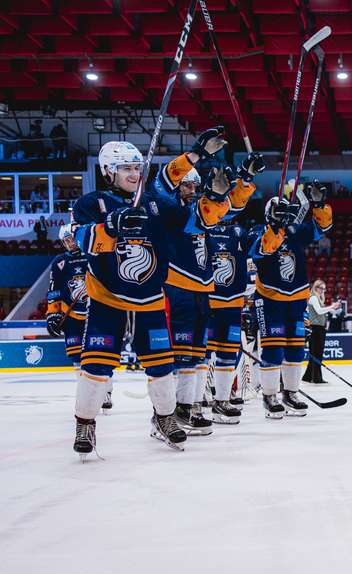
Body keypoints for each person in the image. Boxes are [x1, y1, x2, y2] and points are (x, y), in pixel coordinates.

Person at [70, 128, 234, 456]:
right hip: (108, 297)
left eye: (136, 168)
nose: (134, 174)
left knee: (161, 364)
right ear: (108, 172)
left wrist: (218, 198)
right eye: (125, 168)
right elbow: (84, 239)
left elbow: (195, 222)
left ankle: (164, 417)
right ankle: (85, 422)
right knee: (97, 366)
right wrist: (112, 227)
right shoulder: (91, 203)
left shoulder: (153, 203)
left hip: (150, 298)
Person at [164, 154, 263, 435]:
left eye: (196, 187)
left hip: (203, 291)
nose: (192, 191)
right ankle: (173, 410)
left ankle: (198, 405)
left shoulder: (208, 215)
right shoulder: (171, 212)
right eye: (187, 186)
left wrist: (245, 180)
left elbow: (229, 205)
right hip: (180, 288)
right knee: (187, 354)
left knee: (200, 353)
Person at [249, 180, 333, 418]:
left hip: (296, 299)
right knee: (273, 350)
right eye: (279, 213)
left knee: (296, 349)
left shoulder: (295, 231)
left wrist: (319, 205)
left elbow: (321, 228)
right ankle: (269, 395)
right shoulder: (258, 231)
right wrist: (274, 228)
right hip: (270, 299)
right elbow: (261, 249)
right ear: (269, 214)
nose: (284, 217)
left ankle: (291, 393)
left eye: (286, 213)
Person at [46, 224, 114, 411]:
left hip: (97, 313)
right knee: (77, 358)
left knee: (100, 355)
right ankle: (85, 393)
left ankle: (106, 390)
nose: (70, 243)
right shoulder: (59, 263)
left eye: (72, 239)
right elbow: (54, 291)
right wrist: (52, 314)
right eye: (66, 241)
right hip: (72, 316)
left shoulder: (93, 255)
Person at [205, 218, 255, 423]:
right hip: (206, 300)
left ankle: (222, 401)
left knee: (228, 352)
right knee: (200, 354)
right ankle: (193, 402)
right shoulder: (199, 225)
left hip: (232, 303)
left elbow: (252, 263)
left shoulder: (239, 232)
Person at [303, 279, 341, 384]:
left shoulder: (318, 298)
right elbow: (319, 311)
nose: (323, 291)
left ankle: (307, 376)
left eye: (324, 289)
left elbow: (325, 311)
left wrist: (334, 308)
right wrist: (331, 307)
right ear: (316, 287)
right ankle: (316, 378)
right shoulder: (313, 298)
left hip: (319, 329)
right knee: (317, 354)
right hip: (315, 329)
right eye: (321, 288)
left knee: (315, 353)